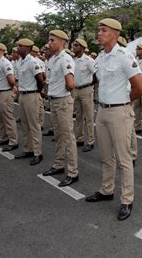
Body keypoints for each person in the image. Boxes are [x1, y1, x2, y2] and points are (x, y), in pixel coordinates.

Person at [85, 18, 142, 221]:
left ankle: (127, 199)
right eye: (98, 29)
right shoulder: (101, 57)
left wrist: (125, 102)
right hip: (102, 111)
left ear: (115, 34)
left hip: (120, 112)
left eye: (103, 30)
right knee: (105, 155)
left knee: (124, 158)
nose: (99, 33)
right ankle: (106, 190)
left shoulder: (124, 56)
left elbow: (140, 86)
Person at [42, 30, 79, 187]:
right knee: (58, 135)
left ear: (62, 42)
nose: (49, 43)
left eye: (52, 40)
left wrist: (62, 92)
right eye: (49, 40)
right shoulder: (53, 59)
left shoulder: (65, 59)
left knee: (68, 137)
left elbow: (70, 83)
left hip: (63, 101)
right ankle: (58, 164)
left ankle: (73, 171)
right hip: (55, 100)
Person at [13, 39, 45, 166]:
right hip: (23, 95)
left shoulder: (32, 61)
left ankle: (38, 153)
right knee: (25, 125)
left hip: (32, 95)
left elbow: (40, 79)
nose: (18, 48)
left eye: (20, 46)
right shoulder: (21, 62)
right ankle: (28, 149)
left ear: (27, 48)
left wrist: (37, 92)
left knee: (34, 125)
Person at [0, 42, 19, 150]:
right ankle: (4, 138)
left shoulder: (5, 63)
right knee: (0, 118)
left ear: (1, 51)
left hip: (5, 93)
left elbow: (11, 80)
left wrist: (13, 87)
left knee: (8, 118)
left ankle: (13, 141)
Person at [72, 38, 96, 152]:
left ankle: (90, 141)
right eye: (73, 45)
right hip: (75, 90)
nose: (74, 47)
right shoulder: (73, 60)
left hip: (86, 89)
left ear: (82, 47)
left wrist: (91, 85)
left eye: (76, 45)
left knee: (89, 116)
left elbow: (96, 74)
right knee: (78, 116)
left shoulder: (89, 61)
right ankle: (79, 138)